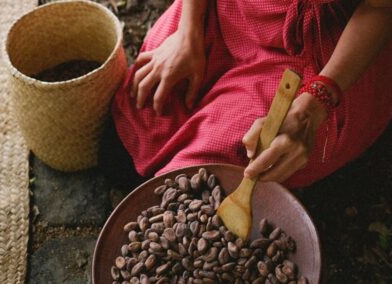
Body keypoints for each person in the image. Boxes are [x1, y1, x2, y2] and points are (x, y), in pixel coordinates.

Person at [111, 0, 392, 188]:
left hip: (324, 51)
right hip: (237, 10)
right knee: (143, 106)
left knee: (208, 175)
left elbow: (379, 8)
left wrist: (313, 105)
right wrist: (188, 32)